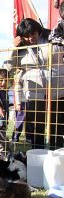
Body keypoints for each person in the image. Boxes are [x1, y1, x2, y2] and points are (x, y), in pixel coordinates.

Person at [12, 18, 51, 149]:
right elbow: (10, 67)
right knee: (37, 127)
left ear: (38, 30)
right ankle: (37, 153)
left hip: (55, 89)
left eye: (33, 34)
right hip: (34, 93)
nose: (31, 38)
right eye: (26, 36)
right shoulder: (20, 50)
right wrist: (14, 48)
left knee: (56, 125)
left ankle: (56, 153)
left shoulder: (49, 39)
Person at [48, 3, 64, 150]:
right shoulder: (60, 25)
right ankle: (57, 148)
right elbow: (52, 37)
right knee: (57, 121)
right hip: (60, 85)